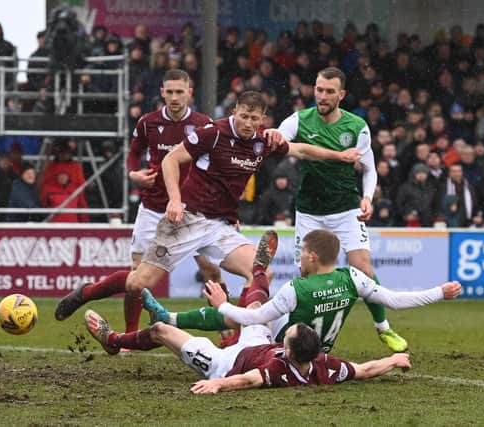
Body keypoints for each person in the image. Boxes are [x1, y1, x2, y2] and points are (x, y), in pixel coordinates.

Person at [54, 91, 359, 322]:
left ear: (263, 119)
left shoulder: (263, 141)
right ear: (234, 112)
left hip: (220, 226)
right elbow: (171, 159)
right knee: (138, 283)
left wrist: (340, 156)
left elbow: (301, 150)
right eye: (244, 116)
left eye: (255, 119)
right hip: (187, 219)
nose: (248, 124)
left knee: (258, 270)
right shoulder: (214, 133)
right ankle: (87, 292)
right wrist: (174, 199)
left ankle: (245, 331)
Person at [142, 230, 462, 353]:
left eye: (301, 254)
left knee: (252, 309)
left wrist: (224, 304)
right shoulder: (353, 277)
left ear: (311, 256)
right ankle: (254, 277)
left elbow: (257, 316)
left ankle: (168, 317)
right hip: (322, 352)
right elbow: (394, 300)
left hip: (289, 349)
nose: (298, 260)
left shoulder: (297, 287)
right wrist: (439, 292)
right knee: (254, 306)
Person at [276, 66, 408, 352]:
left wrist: (368, 198)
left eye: (329, 91)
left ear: (342, 94)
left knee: (363, 270)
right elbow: (280, 138)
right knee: (306, 279)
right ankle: (304, 342)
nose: (322, 96)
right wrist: (273, 136)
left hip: (346, 208)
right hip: (310, 210)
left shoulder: (356, 126)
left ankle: (383, 328)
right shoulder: (300, 120)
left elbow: (369, 169)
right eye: (318, 89)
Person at [125, 69, 224, 340]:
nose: (174, 97)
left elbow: (217, 166)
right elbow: (134, 153)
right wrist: (133, 174)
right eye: (169, 92)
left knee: (211, 269)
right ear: (161, 92)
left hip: (193, 210)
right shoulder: (148, 122)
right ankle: (131, 335)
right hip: (154, 206)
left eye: (180, 91)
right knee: (136, 274)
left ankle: (226, 328)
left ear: (190, 92)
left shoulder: (205, 124)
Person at [84, 313, 412, 393]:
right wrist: (394, 361)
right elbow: (364, 370)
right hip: (254, 343)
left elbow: (245, 379)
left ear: (287, 349)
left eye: (290, 335)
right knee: (256, 309)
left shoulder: (277, 370)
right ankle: (254, 278)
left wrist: (216, 384)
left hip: (224, 364)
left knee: (159, 330)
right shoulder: (324, 364)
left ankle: (114, 340)